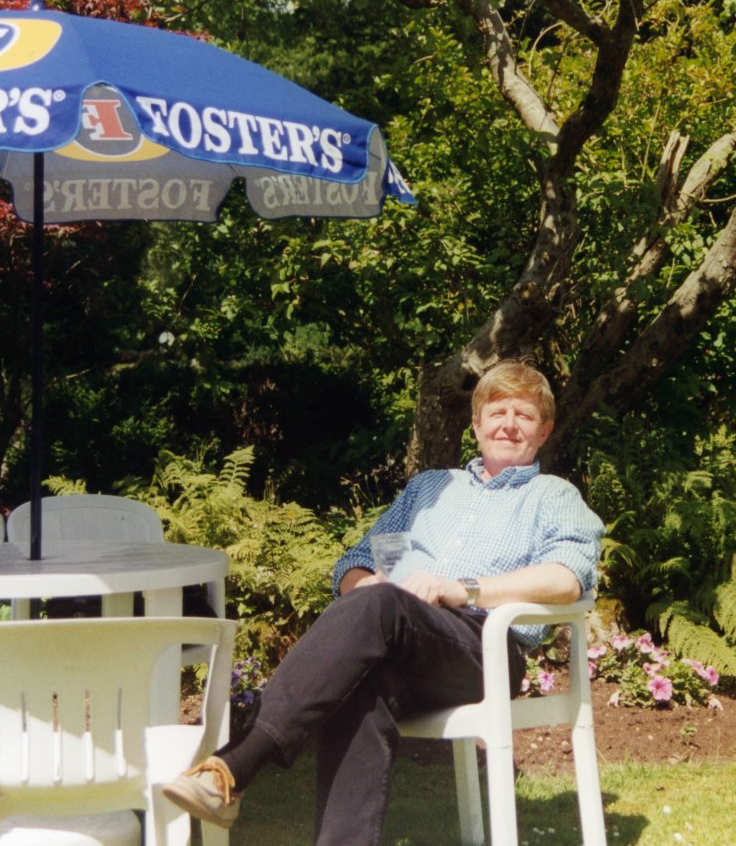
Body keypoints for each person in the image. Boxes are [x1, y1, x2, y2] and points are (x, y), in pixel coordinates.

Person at [161, 361, 603, 843]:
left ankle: (232, 767)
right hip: (396, 636)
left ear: (544, 430)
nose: (509, 424)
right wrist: (360, 586)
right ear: (475, 425)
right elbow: (354, 560)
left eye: (524, 414)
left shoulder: (553, 496)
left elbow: (566, 579)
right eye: (497, 412)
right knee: (360, 687)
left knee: (383, 606)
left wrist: (466, 589)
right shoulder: (429, 488)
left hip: (481, 648)